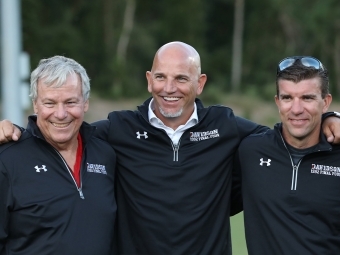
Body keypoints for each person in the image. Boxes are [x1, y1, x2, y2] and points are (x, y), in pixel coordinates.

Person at [1, 43, 340, 254]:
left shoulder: (226, 127)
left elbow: (288, 133)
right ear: (149, 80)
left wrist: (330, 118)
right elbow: (61, 126)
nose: (170, 88)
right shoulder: (118, 129)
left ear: (200, 83)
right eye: (161, 77)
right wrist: (15, 130)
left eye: (181, 78)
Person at [0, 56, 117, 255]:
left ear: (85, 104)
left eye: (70, 102)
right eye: (50, 103)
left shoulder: (105, 154)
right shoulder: (8, 160)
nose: (61, 114)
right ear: (36, 105)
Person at [234, 56, 340, 254]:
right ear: (277, 101)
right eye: (287, 98)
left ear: (325, 103)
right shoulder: (250, 150)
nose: (296, 109)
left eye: (307, 98)